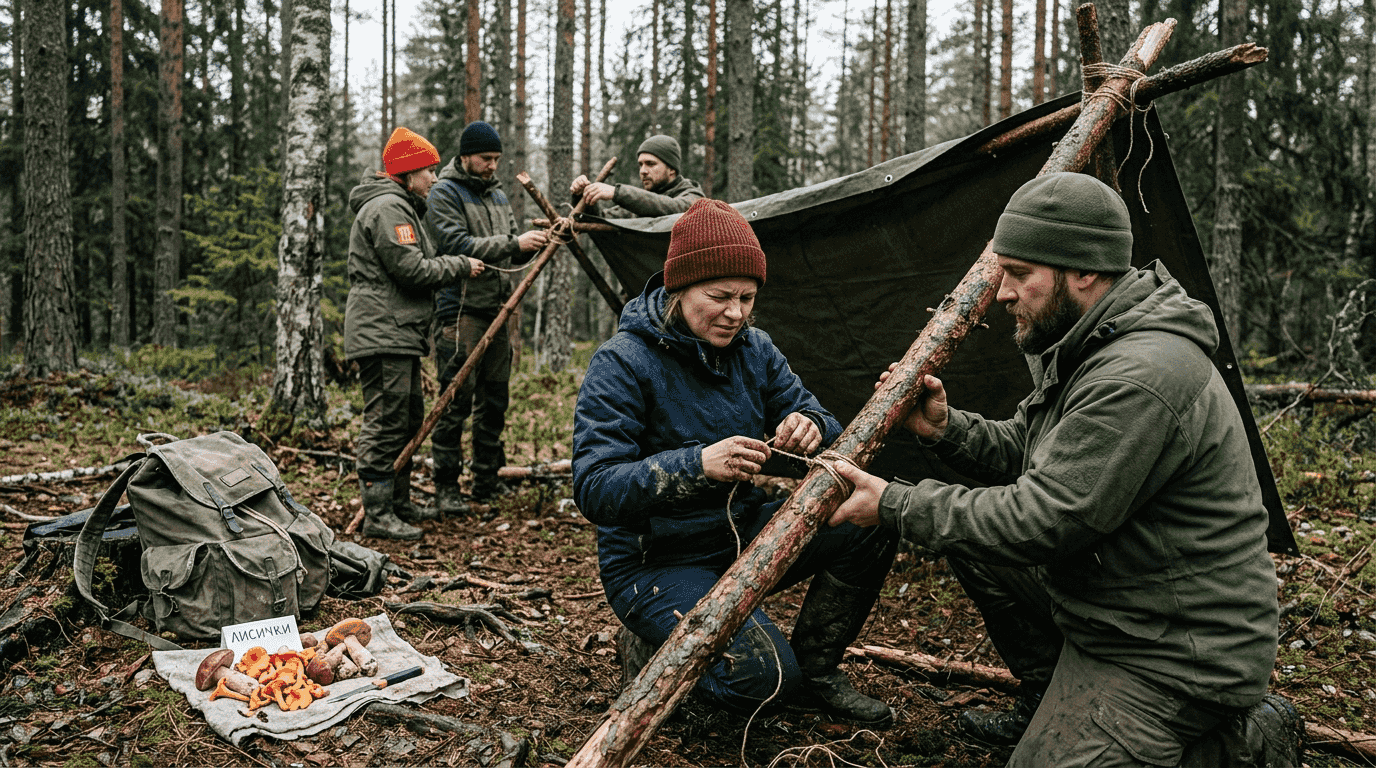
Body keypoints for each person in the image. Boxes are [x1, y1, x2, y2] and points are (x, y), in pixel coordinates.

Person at [829, 172, 1302, 766]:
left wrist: (894, 504)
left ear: (1083, 273)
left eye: (1019, 275)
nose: (1001, 292)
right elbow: (1035, 449)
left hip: (1175, 651)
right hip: (1114, 607)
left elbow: (1045, 519)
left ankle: (1238, 743)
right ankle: (1049, 696)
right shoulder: (1092, 341)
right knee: (973, 545)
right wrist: (946, 428)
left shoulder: (1138, 375)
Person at [572, 198, 897, 725]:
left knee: (871, 521)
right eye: (719, 296)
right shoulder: (622, 362)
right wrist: (695, 465)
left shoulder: (755, 350)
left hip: (741, 537)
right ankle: (656, 657)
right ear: (678, 289)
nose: (736, 312)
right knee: (765, 683)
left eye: (747, 298)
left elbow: (826, 423)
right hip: (655, 564)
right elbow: (594, 487)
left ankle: (817, 672)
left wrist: (810, 427)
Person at [344, 126, 485, 540]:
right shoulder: (389, 208)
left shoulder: (400, 205)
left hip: (395, 330)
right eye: (428, 171)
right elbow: (411, 269)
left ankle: (397, 503)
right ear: (407, 173)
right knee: (387, 419)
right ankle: (377, 513)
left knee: (405, 419)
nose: (435, 179)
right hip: (382, 331)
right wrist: (459, 265)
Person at [425, 121, 549, 514]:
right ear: (465, 157)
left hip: (499, 310)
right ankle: (446, 485)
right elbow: (454, 243)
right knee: (455, 398)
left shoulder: (497, 195)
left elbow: (511, 249)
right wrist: (514, 243)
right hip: (460, 311)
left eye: (496, 159)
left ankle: (486, 480)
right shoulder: (444, 192)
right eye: (486, 158)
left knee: (495, 399)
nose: (493, 165)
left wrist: (534, 243)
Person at [569, 134, 704, 219]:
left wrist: (616, 193)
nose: (643, 171)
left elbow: (673, 208)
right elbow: (601, 220)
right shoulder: (640, 205)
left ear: (672, 169)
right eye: (641, 165)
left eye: (650, 164)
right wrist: (583, 196)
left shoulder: (694, 197)